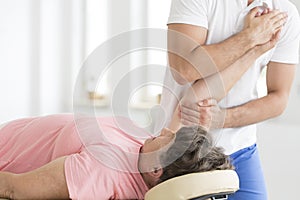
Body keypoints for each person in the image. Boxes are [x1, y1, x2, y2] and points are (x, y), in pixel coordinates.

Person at [158, 0, 300, 199]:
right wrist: (250, 37)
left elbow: (279, 98)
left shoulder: (285, 14)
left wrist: (223, 118)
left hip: (241, 149)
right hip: (180, 150)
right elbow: (184, 69)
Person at [0, 114, 233, 199]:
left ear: (156, 170)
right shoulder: (147, 155)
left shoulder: (103, 172)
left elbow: (12, 189)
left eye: (168, 137)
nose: (163, 131)